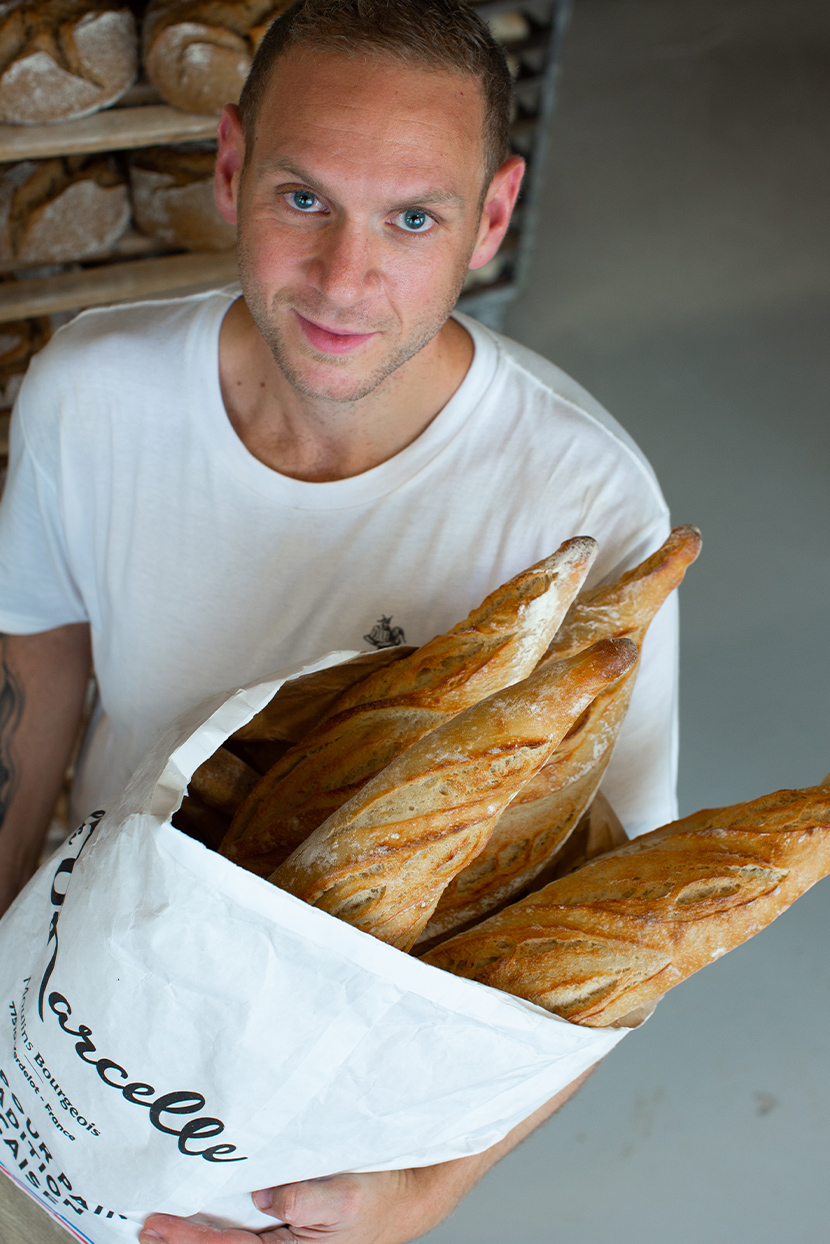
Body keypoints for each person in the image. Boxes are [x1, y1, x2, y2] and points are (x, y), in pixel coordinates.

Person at [0, 1, 678, 1240]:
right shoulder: (86, 394)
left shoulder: (582, 507)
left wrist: (415, 1197)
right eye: (303, 199)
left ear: (490, 217)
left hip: (323, 1139)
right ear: (228, 168)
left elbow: (611, 933)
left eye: (410, 218)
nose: (343, 280)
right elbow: (34, 677)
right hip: (67, 1018)